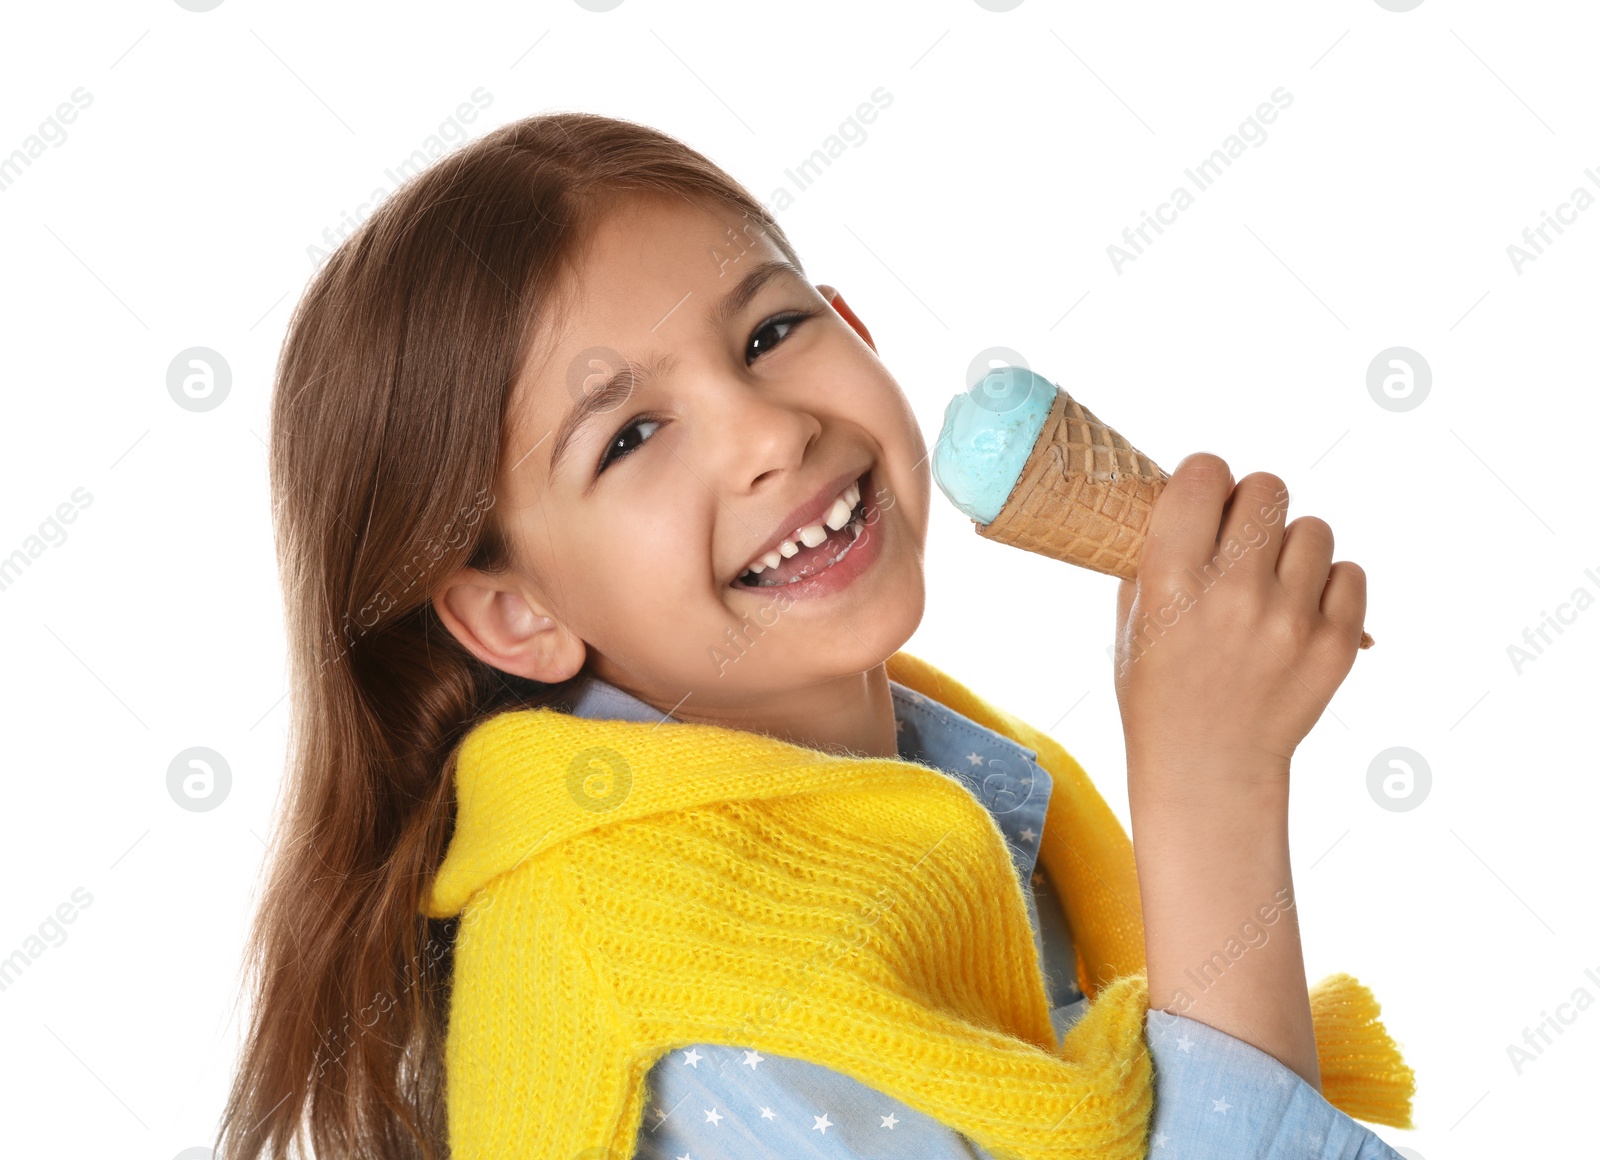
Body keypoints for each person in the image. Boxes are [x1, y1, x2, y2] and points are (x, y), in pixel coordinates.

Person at [216, 111, 1411, 1159]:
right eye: (628, 435)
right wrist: (1213, 790)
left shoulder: (940, 773)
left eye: (768, 333)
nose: (766, 433)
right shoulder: (684, 996)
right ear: (513, 610)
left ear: (857, 324)